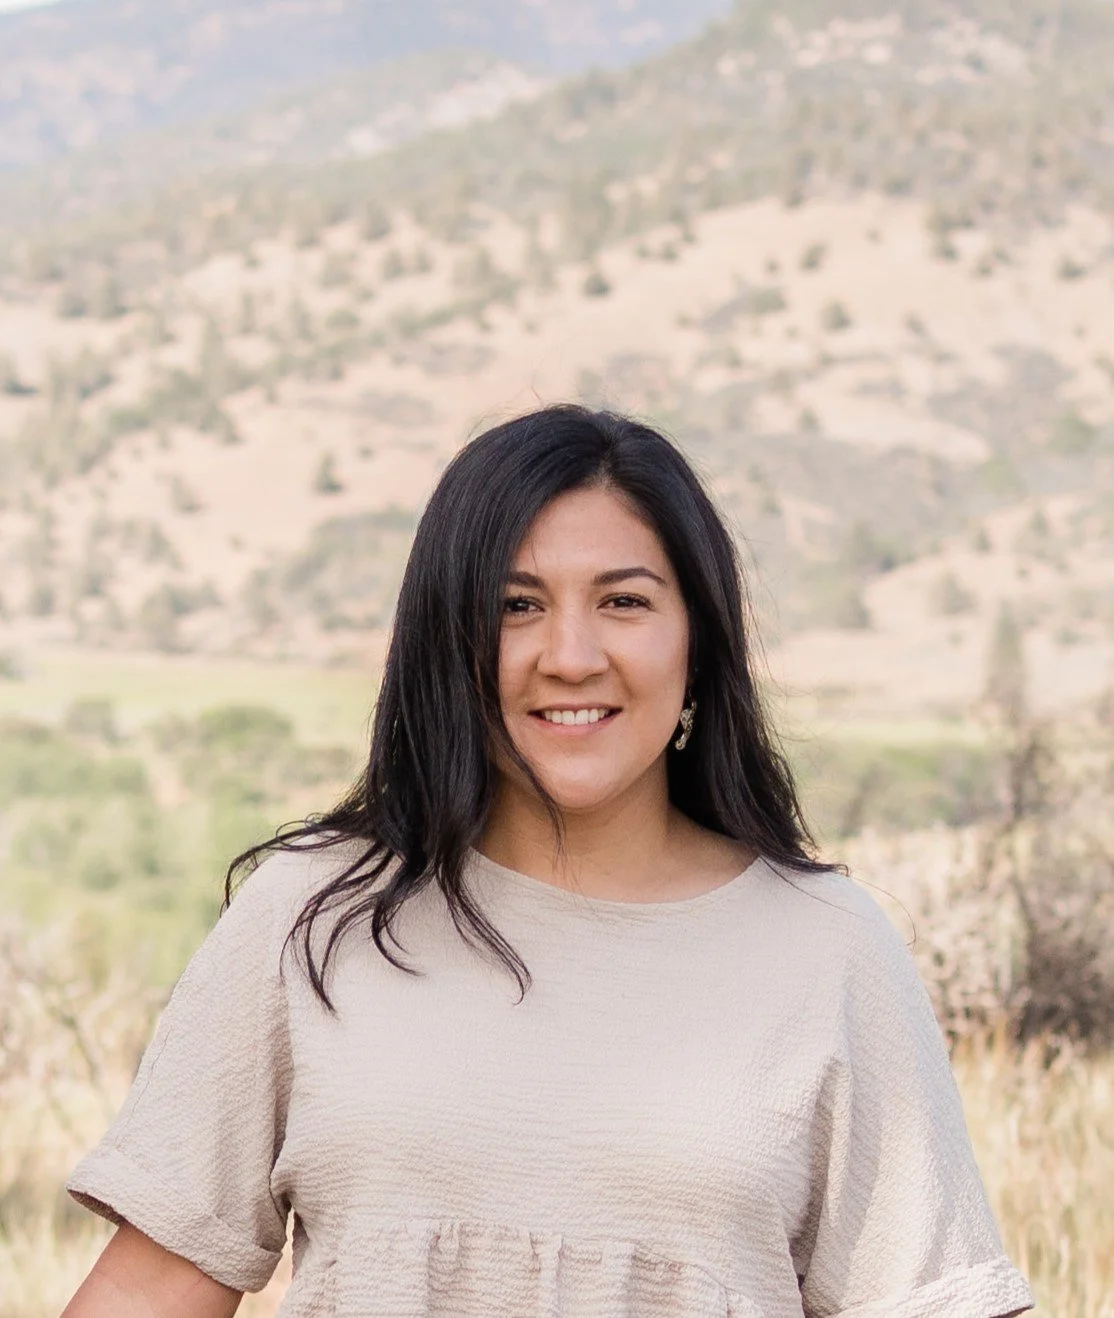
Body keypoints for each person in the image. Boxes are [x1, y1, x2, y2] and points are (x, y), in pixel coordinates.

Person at [62, 405, 1034, 1318]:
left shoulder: (827, 951)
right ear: (447, 642)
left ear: (695, 642)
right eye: (515, 604)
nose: (569, 654)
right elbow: (152, 1290)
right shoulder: (313, 916)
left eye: (623, 600)